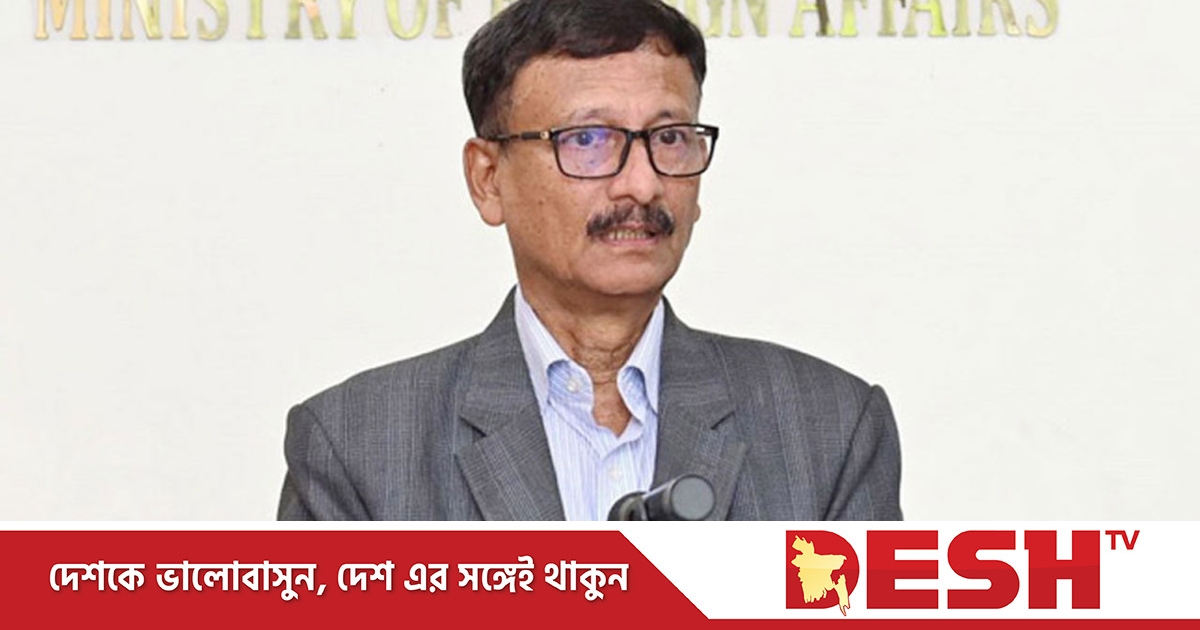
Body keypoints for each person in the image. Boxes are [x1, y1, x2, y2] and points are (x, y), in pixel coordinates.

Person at [277, 0, 902, 521]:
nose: (642, 185)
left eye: (669, 138)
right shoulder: (357, 446)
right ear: (488, 178)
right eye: (588, 139)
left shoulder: (829, 427)